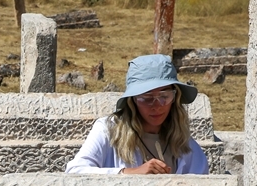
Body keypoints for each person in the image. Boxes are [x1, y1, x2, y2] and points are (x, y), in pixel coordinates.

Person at [65, 54, 208, 175]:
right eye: (146, 98)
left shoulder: (184, 143)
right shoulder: (108, 130)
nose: (157, 106)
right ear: (132, 100)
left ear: (175, 98)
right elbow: (74, 171)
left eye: (165, 96)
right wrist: (130, 173)